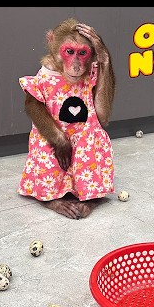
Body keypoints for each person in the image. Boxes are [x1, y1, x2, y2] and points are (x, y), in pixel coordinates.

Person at [17, 18, 116, 219]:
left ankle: (90, 198)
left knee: (91, 152)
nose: (77, 66)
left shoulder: (93, 73)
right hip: (54, 135)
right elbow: (33, 106)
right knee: (46, 156)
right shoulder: (45, 75)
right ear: (52, 41)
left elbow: (103, 116)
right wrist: (58, 138)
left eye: (83, 54)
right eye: (69, 52)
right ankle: (52, 199)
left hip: (84, 138)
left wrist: (105, 60)